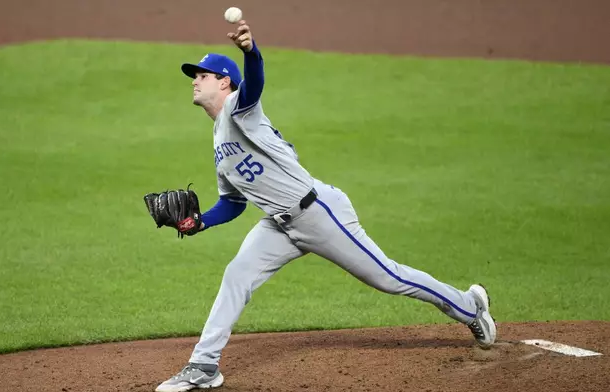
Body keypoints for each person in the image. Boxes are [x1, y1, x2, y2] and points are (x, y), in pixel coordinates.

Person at [154, 20, 496, 392]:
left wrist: (251, 51)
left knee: (388, 278)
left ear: (224, 82)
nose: (195, 79)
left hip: (318, 212)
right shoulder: (219, 141)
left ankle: (469, 306)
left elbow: (255, 83)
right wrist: (200, 222)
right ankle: (204, 365)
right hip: (278, 225)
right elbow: (232, 203)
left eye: (203, 74)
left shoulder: (240, 108)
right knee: (237, 275)